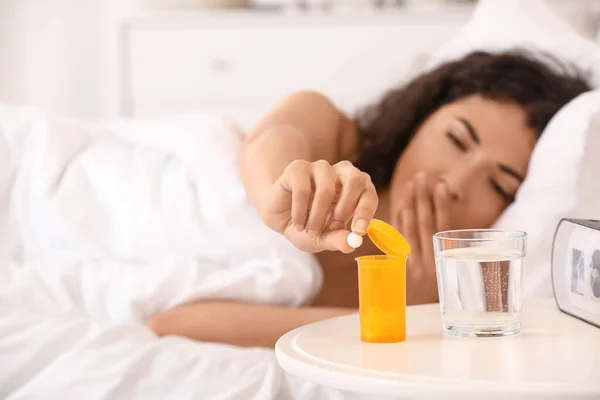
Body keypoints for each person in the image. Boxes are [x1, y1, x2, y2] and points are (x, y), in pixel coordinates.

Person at [146, 50, 591, 347]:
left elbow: (181, 323)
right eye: (456, 139)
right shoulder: (334, 135)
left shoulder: (436, 299)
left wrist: (403, 310)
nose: (456, 181)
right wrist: (280, 195)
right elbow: (274, 138)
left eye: (499, 185)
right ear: (420, 119)